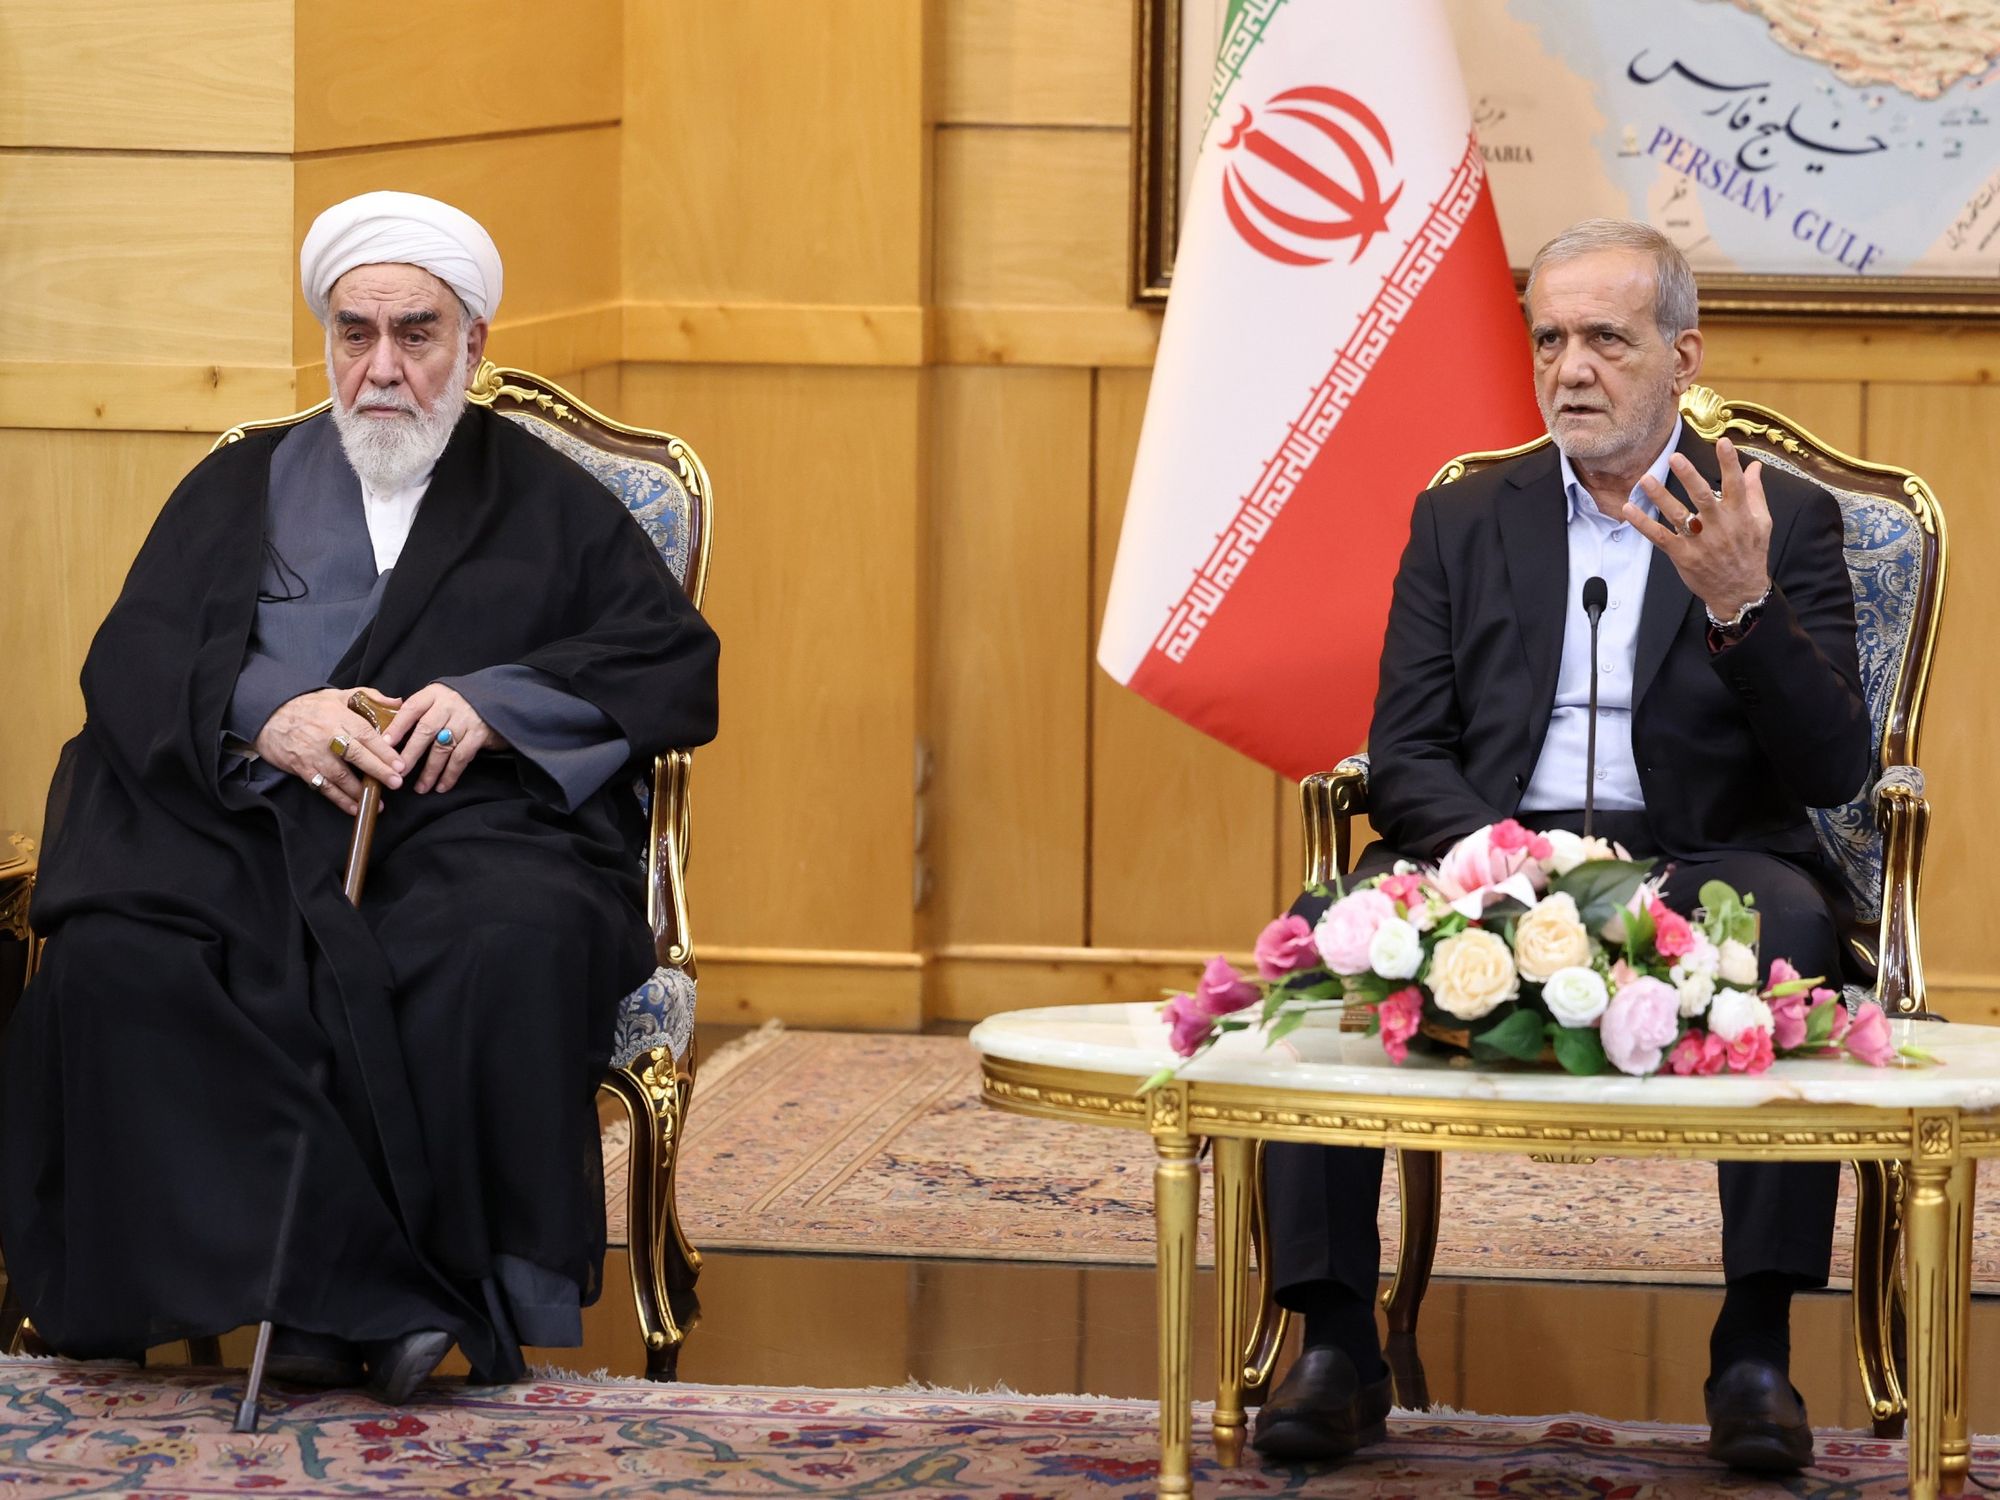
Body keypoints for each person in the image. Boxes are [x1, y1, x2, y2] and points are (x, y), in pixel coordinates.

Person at [0, 193, 719, 1399]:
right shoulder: (240, 484)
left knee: (501, 939)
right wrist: (270, 712)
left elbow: (669, 664)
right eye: (355, 333)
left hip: (467, 825)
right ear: (329, 337)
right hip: (244, 825)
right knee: (116, 958)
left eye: (416, 334)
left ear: (474, 343)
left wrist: (498, 702)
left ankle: (427, 1300)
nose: (382, 367)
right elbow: (134, 655)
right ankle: (266, 1292)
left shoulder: (551, 505)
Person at [1249, 219, 1869, 1474]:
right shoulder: (1464, 517)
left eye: (1605, 338)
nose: (1569, 368)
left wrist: (1738, 606)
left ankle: (1752, 1347)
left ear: (1680, 354)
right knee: (1327, 932)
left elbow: (1831, 774)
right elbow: (1401, 745)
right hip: (1491, 847)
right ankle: (1328, 1337)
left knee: (1794, 932)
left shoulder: (1774, 517)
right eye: (1548, 339)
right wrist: (1500, 860)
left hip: (1696, 854)